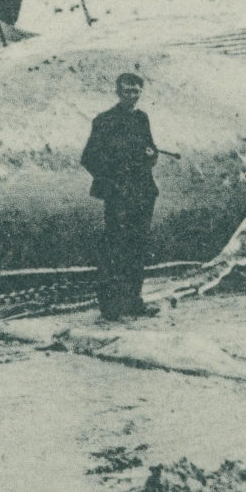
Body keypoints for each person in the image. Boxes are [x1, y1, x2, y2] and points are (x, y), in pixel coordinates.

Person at [80, 72, 162, 320]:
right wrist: (114, 180)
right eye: (127, 90)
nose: (131, 95)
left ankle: (134, 302)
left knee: (137, 248)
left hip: (142, 193)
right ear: (118, 91)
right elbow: (89, 158)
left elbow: (151, 153)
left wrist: (151, 155)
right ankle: (111, 307)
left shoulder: (141, 118)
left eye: (136, 91)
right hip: (119, 196)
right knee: (115, 248)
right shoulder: (104, 120)